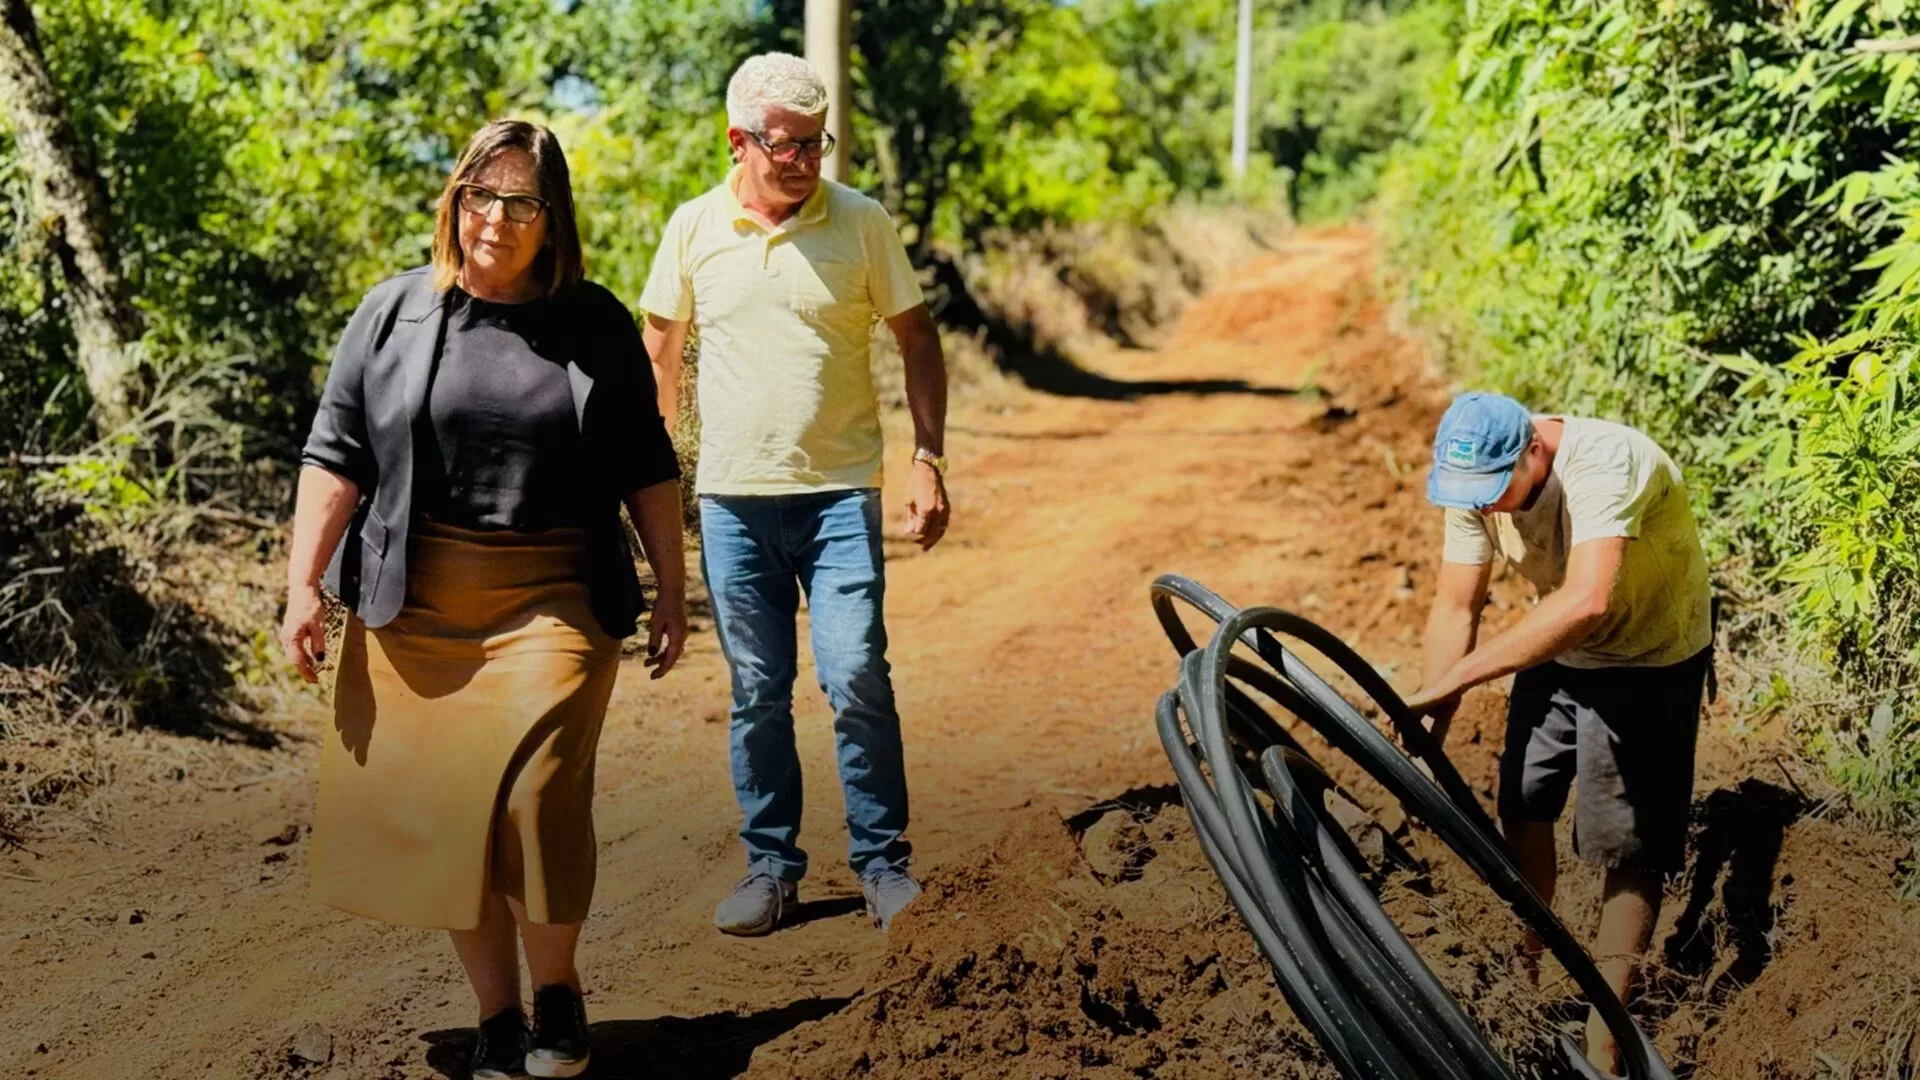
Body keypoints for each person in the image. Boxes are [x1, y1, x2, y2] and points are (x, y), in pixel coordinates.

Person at [280, 119, 688, 1080]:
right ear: (454, 200)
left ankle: (559, 993)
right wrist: (303, 582)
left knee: (536, 799)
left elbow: (646, 466)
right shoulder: (391, 313)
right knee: (454, 818)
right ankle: (498, 1016)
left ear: (554, 220)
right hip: (417, 608)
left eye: (520, 201)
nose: (495, 218)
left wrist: (672, 587)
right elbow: (334, 457)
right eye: (479, 194)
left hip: (552, 596)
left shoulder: (594, 323)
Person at [639, 53, 950, 937]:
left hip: (840, 495)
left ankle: (884, 865)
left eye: (817, 143)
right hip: (733, 503)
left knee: (855, 675)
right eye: (787, 145)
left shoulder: (861, 222)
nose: (806, 160)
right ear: (738, 140)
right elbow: (659, 352)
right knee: (758, 692)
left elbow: (917, 341)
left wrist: (929, 457)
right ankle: (772, 868)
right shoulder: (694, 227)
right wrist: (656, 476)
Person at [1403, 391, 1712, 1075]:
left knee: (1626, 846)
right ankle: (1523, 981)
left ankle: (1608, 1039)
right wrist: (1430, 724)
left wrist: (1465, 679)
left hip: (1647, 657)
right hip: (1562, 650)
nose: (1481, 506)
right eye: (1469, 495)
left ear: (1534, 451)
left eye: (1492, 491)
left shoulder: (1605, 461)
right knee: (1522, 797)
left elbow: (1587, 600)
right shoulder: (1476, 482)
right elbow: (1457, 604)